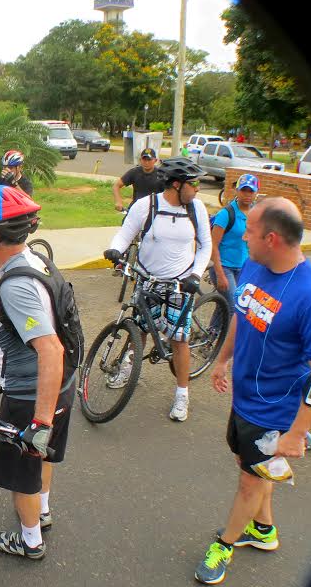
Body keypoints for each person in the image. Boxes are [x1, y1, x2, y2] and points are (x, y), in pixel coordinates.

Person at [197, 198, 311, 585]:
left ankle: (225, 544)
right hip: (244, 398)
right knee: (250, 468)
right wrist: (222, 360)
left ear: (272, 238)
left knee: (250, 479)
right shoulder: (254, 266)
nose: (244, 236)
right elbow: (242, 318)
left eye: (251, 232)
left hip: (275, 411)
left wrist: (296, 433)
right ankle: (263, 530)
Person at [0, 184, 75, 559]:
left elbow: (50, 348)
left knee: (22, 472)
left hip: (31, 395)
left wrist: (39, 425)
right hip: (63, 386)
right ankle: (41, 513)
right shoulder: (32, 261)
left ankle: (30, 541)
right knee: (40, 462)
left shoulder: (16, 283)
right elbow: (28, 318)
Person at [103, 157, 211, 421]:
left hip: (180, 283)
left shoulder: (196, 208)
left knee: (179, 340)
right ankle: (130, 368)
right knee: (138, 330)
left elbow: (206, 246)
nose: (196, 189)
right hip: (147, 279)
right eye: (193, 184)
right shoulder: (146, 206)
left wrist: (195, 275)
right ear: (176, 185)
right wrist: (116, 249)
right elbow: (125, 234)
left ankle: (182, 395)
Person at [209, 173, 257, 313]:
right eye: (243, 190)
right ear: (237, 191)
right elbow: (213, 245)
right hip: (224, 267)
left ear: (256, 193)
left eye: (251, 191)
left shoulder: (256, 213)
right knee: (235, 307)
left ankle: (213, 333)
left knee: (223, 307)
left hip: (243, 268)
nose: (247, 194)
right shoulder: (226, 214)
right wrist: (220, 274)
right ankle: (233, 335)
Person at [113, 147, 163, 212]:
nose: (146, 162)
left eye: (149, 160)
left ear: (155, 160)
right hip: (136, 208)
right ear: (140, 160)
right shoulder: (134, 172)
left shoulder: (161, 174)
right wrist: (118, 202)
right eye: (144, 159)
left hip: (154, 209)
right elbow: (116, 186)